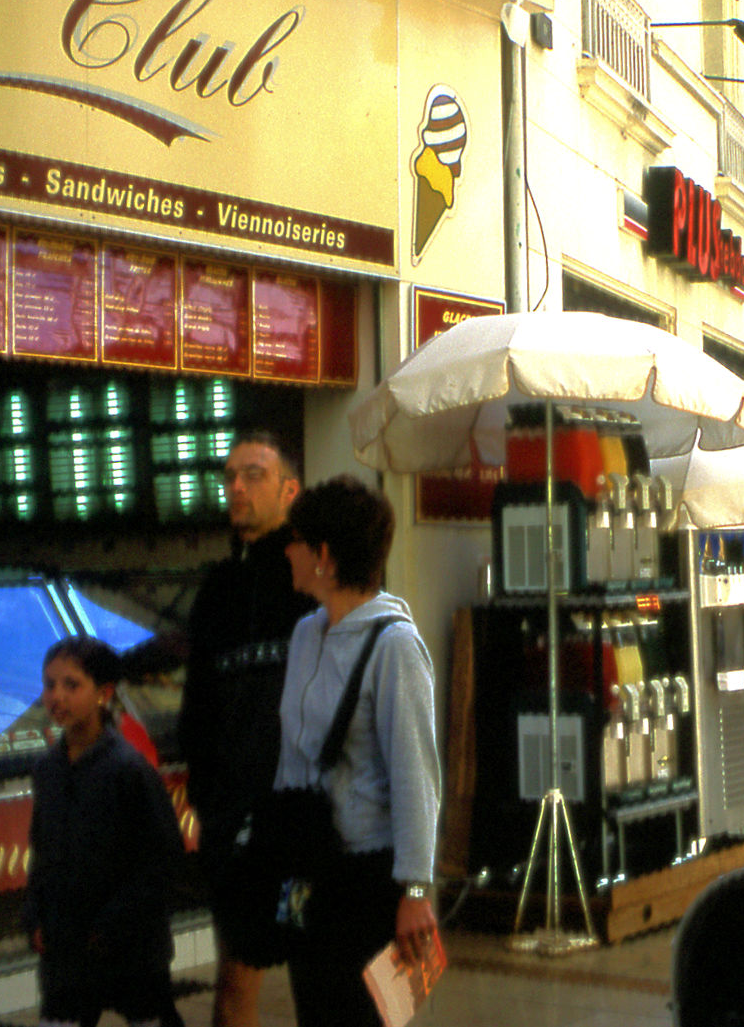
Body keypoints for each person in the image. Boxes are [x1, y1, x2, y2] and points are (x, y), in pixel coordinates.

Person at [275, 476, 441, 1027]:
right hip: (309, 863)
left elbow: (416, 774)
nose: (287, 551)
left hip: (369, 877)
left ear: (324, 555)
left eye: (296, 540)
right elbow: (292, 754)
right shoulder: (306, 635)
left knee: (363, 1017)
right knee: (314, 1013)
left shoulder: (395, 646)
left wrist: (415, 887)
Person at [178, 431, 315, 1027]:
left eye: (254, 474)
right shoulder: (218, 590)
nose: (237, 487)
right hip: (235, 829)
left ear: (289, 490)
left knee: (319, 972)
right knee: (235, 983)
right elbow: (199, 702)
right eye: (230, 476)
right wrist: (209, 801)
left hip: (306, 828)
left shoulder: (312, 581)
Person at [27, 636, 186, 1027]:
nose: (57, 697)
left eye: (71, 685)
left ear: (104, 693)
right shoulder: (48, 769)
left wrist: (109, 926)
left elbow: (163, 858)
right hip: (66, 950)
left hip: (131, 949)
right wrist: (35, 917)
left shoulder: (128, 770)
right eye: (50, 684)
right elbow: (43, 853)